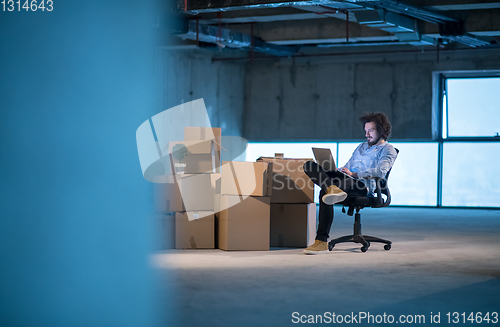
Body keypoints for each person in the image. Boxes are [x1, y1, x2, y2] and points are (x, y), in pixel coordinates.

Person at [302, 112, 398, 254]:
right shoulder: (361, 147)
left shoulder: (388, 150)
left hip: (363, 186)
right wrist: (340, 170)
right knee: (309, 165)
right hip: (347, 180)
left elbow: (380, 172)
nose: (367, 134)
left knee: (324, 193)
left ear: (381, 130)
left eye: (371, 130)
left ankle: (321, 241)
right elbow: (349, 165)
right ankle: (332, 187)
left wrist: (354, 174)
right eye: (366, 131)